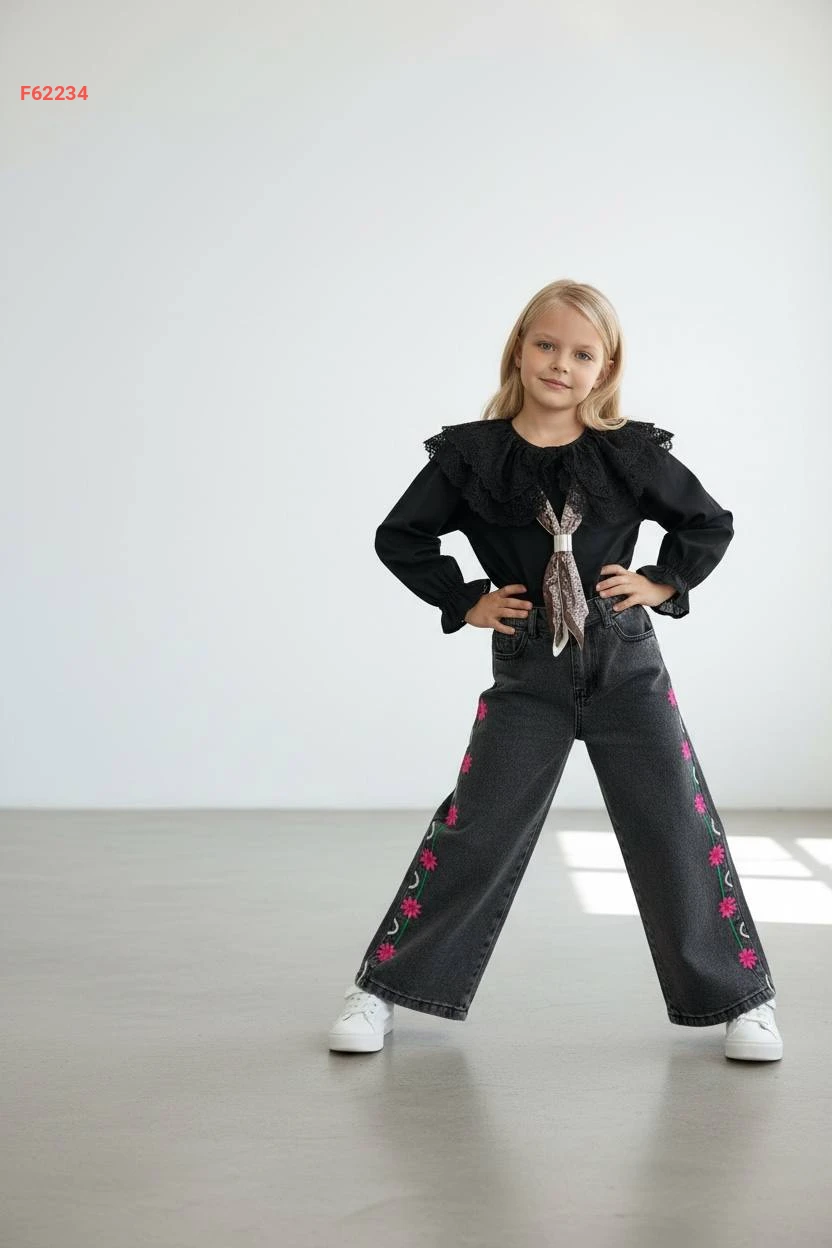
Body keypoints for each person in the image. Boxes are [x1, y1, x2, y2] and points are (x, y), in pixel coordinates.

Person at [328, 279, 782, 1062]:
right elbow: (400, 535)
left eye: (581, 354)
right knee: (477, 825)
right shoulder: (472, 456)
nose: (560, 364)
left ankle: (741, 999)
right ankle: (383, 988)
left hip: (623, 661)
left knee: (673, 819)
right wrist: (465, 599)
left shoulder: (629, 452)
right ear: (519, 349)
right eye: (546, 345)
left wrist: (662, 582)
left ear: (605, 369)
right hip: (528, 667)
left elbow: (708, 521)